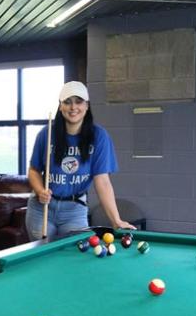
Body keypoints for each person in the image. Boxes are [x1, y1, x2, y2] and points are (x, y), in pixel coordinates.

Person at [25, 81, 136, 240]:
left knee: (74, 256)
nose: (73, 107)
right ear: (60, 106)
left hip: (74, 210)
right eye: (67, 102)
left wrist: (116, 220)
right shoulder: (46, 133)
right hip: (42, 209)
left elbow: (102, 181)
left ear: (87, 105)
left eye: (78, 101)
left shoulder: (99, 137)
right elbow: (34, 170)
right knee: (43, 257)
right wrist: (40, 190)